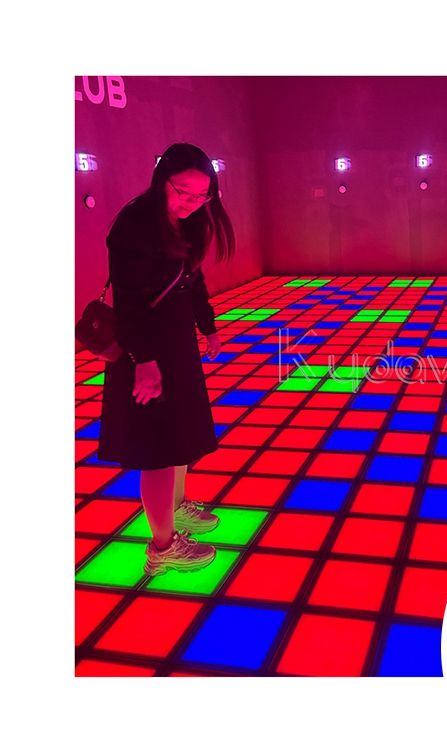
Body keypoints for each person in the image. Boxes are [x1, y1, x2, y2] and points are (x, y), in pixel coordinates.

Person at [98, 143, 235, 575]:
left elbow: (193, 281)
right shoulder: (135, 223)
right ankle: (162, 548)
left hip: (176, 345)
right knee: (157, 448)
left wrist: (208, 326)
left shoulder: (188, 223)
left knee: (178, 439)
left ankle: (175, 508)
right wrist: (144, 360)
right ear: (162, 181)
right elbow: (130, 303)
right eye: (183, 192)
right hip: (145, 349)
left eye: (202, 195)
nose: (192, 202)